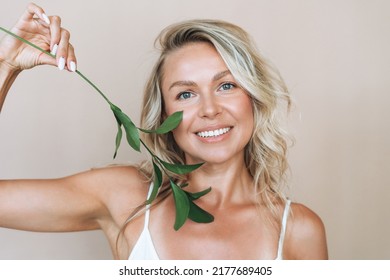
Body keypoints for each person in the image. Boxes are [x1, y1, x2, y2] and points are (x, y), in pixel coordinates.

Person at [0, 3, 328, 260]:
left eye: (226, 85)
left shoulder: (299, 229)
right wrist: (7, 64)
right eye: (186, 94)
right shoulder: (126, 197)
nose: (210, 109)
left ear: (254, 98)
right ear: (165, 114)